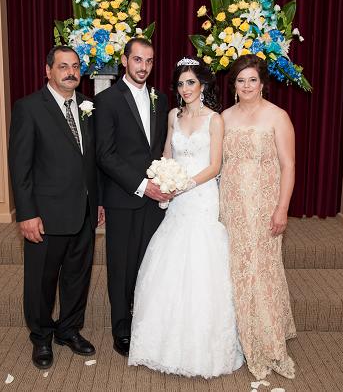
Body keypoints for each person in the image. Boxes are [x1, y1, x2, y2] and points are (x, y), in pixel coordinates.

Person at [127, 57, 243, 378]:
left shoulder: (215, 119)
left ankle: (203, 347)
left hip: (201, 197)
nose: (185, 89)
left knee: (201, 263)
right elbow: (167, 154)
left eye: (191, 82)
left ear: (202, 84)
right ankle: (162, 344)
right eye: (180, 83)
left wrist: (185, 185)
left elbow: (215, 165)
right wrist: (164, 179)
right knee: (170, 261)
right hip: (177, 199)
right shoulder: (173, 116)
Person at [8, 46, 104, 370]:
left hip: (84, 211)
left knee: (78, 277)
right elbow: (20, 167)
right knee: (41, 282)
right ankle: (41, 337)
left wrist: (98, 200)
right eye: (63, 66)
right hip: (45, 215)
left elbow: (92, 161)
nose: (70, 72)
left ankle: (69, 330)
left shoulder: (88, 106)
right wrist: (26, 213)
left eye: (75, 66)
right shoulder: (29, 108)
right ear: (47, 70)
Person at [219, 54, 297, 380]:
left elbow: (288, 166)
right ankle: (240, 337)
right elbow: (217, 164)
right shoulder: (224, 117)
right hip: (231, 207)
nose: (247, 86)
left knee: (262, 271)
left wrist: (282, 208)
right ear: (234, 85)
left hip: (265, 207)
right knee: (236, 270)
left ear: (262, 83)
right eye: (241, 80)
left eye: (253, 80)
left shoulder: (278, 116)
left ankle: (269, 341)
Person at [94, 37, 170, 357]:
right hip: (124, 196)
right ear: (125, 61)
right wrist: (142, 185)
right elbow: (105, 154)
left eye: (149, 61)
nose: (143, 67)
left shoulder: (160, 99)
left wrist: (165, 180)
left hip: (155, 199)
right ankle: (122, 328)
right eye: (138, 60)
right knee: (121, 266)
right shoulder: (107, 100)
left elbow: (162, 147)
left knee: (149, 263)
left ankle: (145, 321)